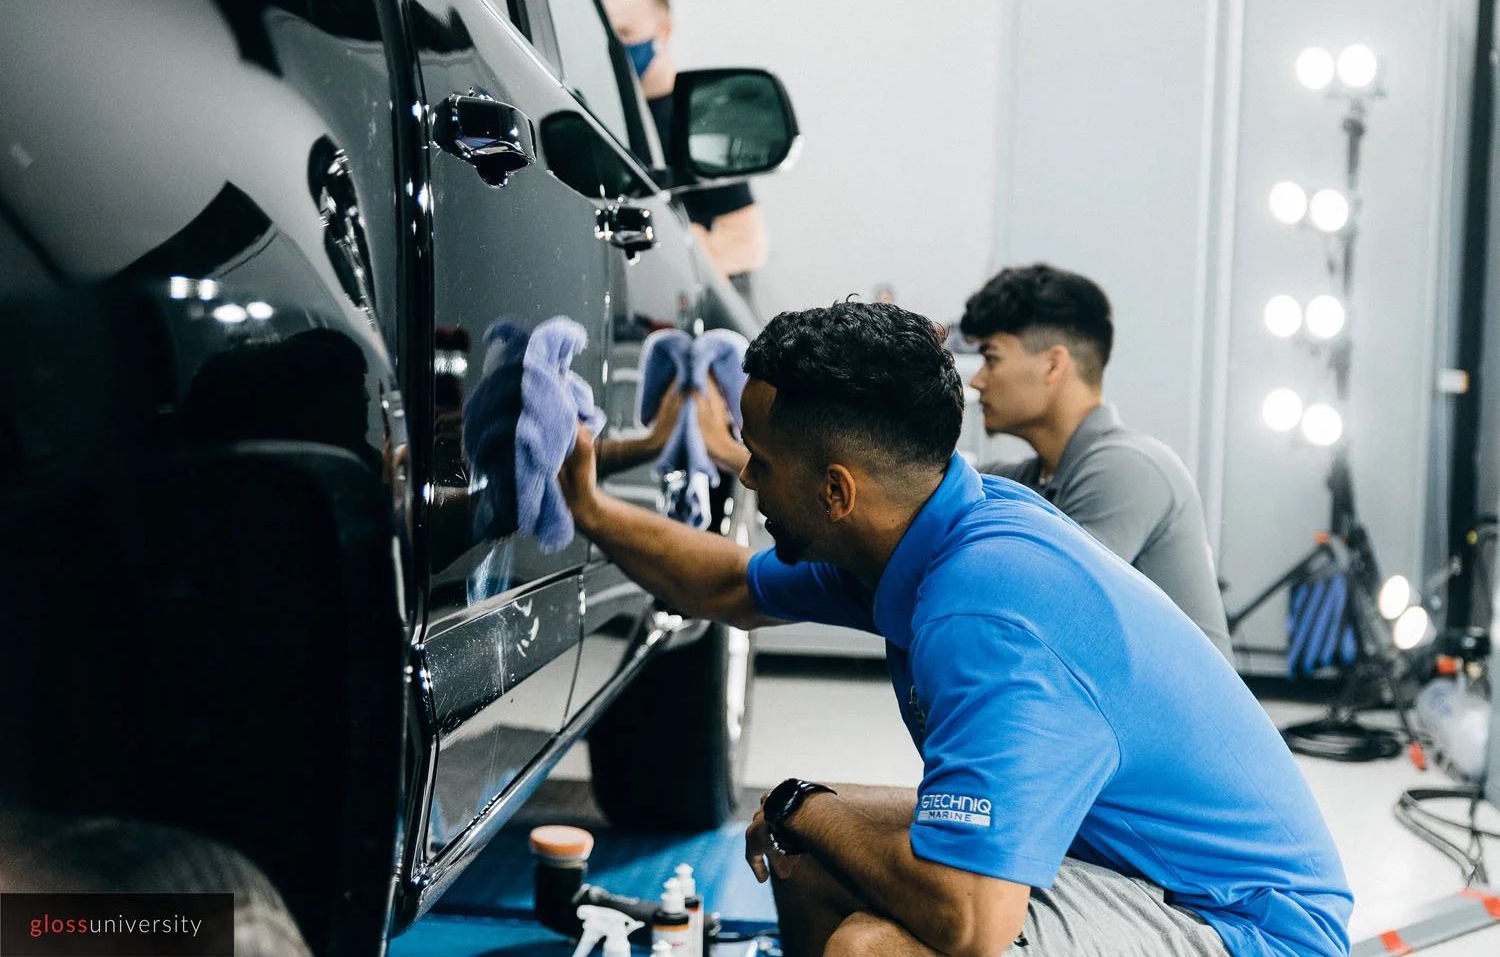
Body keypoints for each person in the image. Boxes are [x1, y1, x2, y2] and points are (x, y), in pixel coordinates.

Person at [557, 301, 1350, 957]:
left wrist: (807, 805)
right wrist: (587, 507)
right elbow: (730, 585)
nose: (748, 475)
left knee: (871, 948)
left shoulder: (986, 612)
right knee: (805, 852)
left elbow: (970, 921)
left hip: (1240, 924)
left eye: (762, 460)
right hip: (1131, 863)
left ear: (837, 492)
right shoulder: (920, 528)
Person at [961, 263, 1234, 660]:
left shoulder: (1130, 468)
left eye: (991, 358)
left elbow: (1041, 615)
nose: (977, 380)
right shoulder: (1028, 480)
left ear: (1054, 364)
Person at [596, 0, 769, 287]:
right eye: (608, 35)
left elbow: (748, 245)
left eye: (626, 34)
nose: (617, 48)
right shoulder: (599, 110)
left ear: (663, 31)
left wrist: (681, 248)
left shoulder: (697, 117)